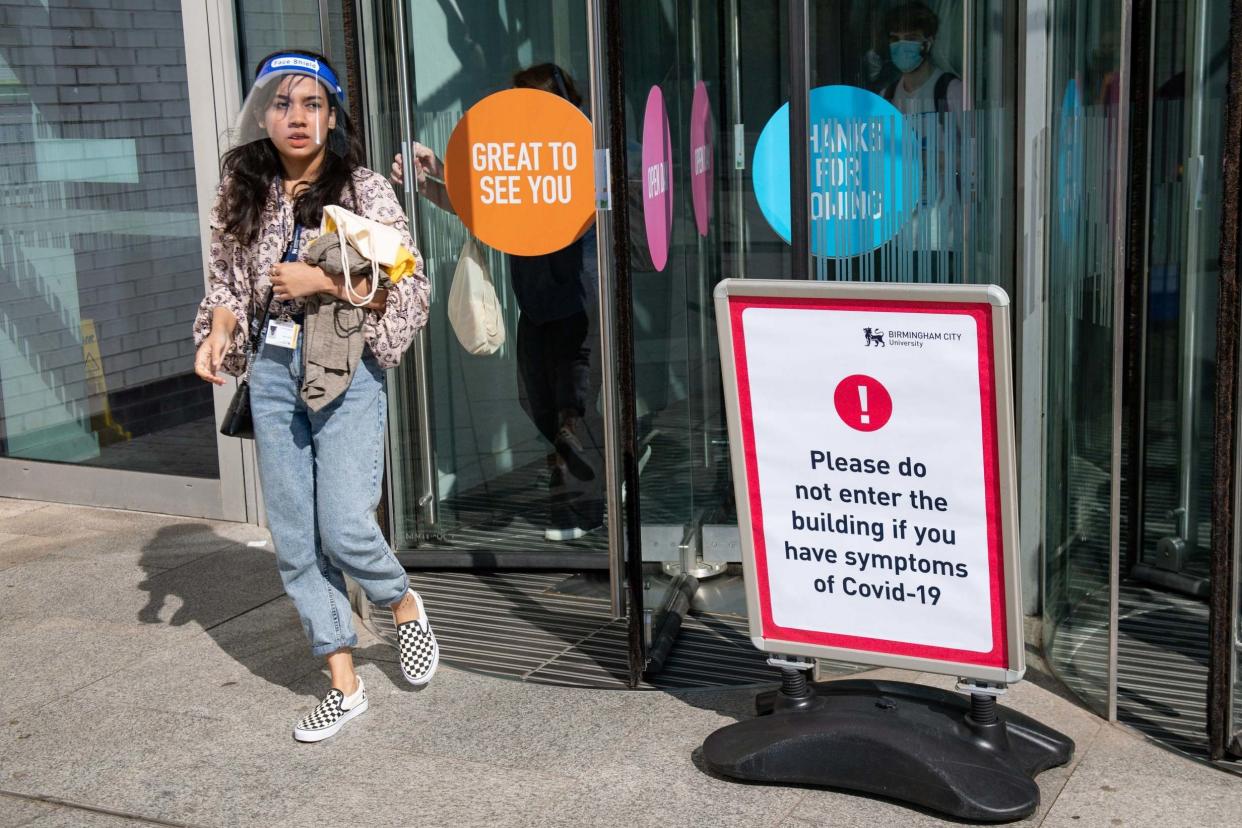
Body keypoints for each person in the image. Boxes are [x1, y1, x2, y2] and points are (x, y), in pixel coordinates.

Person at [192, 50, 437, 742]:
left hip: (346, 369)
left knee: (345, 524)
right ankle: (344, 681)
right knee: (296, 538)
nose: (296, 118)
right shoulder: (242, 187)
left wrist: (323, 284)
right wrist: (218, 333)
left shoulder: (362, 191)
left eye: (312, 104)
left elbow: (409, 288)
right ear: (263, 114)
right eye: (282, 103)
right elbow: (226, 285)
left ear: (332, 116)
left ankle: (403, 605)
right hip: (271, 375)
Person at [393, 63, 605, 542]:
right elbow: (485, 204)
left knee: (576, 405)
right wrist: (432, 181)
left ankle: (584, 507)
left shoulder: (578, 155)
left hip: (578, 299)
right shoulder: (517, 158)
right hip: (535, 302)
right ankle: (593, 480)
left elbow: (577, 207)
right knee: (537, 400)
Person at [881, 2, 965, 282]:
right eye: (895, 38)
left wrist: (923, 158)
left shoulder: (950, 90)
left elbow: (976, 159)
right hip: (898, 233)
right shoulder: (887, 95)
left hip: (942, 234)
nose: (901, 46)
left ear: (928, 42)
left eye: (911, 38)